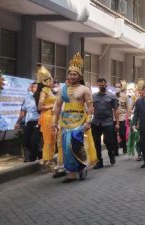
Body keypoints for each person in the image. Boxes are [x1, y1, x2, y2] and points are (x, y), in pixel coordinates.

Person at [52, 53, 98, 183]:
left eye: (75, 74)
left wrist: (89, 122)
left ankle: (82, 167)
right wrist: (54, 122)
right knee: (66, 147)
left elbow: (90, 108)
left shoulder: (84, 90)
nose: (72, 76)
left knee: (76, 145)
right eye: (70, 74)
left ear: (80, 76)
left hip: (79, 121)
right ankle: (70, 173)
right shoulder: (63, 89)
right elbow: (57, 107)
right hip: (65, 121)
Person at [91, 78, 119, 169]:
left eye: (103, 85)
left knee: (108, 141)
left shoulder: (112, 96)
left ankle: (111, 153)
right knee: (96, 142)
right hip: (96, 122)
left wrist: (117, 123)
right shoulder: (93, 96)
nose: (102, 86)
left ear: (106, 85)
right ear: (97, 85)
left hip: (108, 122)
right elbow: (90, 108)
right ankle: (99, 161)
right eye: (100, 85)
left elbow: (116, 110)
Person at [34, 66, 56, 171]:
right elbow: (39, 107)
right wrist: (53, 106)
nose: (53, 81)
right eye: (51, 79)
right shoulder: (44, 92)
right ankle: (48, 161)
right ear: (46, 81)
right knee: (48, 140)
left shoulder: (50, 91)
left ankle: (48, 159)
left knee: (52, 139)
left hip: (53, 117)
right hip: (47, 117)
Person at [14, 82, 41, 162]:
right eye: (33, 87)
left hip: (38, 122)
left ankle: (32, 160)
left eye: (36, 87)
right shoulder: (27, 97)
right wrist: (18, 122)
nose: (34, 89)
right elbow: (23, 111)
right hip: (29, 122)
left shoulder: (41, 97)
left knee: (34, 141)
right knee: (26, 141)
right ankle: (39, 153)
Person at [128, 79, 145, 160]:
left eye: (142, 90)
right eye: (139, 90)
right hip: (136, 121)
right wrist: (133, 112)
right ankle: (139, 154)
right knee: (137, 138)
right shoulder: (135, 98)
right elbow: (130, 108)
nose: (140, 92)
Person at [115, 80, 131, 155]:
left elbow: (128, 107)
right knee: (113, 134)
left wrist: (129, 116)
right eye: (116, 87)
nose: (117, 88)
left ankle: (124, 146)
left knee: (122, 133)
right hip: (113, 117)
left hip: (122, 116)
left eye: (118, 87)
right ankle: (115, 150)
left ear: (121, 88)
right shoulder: (111, 95)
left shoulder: (125, 96)